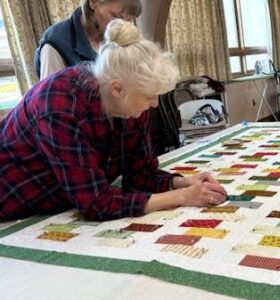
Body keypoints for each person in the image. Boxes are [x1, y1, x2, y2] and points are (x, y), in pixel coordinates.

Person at [0, 19, 227, 222]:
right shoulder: (59, 107)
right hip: (12, 199)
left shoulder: (131, 103)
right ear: (117, 89)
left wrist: (182, 183)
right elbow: (97, 204)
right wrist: (182, 197)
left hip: (58, 201)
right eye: (149, 97)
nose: (155, 104)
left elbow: (141, 175)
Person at [34, 0, 142, 80]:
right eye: (117, 17)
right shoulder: (55, 44)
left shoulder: (116, 36)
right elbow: (50, 104)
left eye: (129, 20)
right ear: (93, 2)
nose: (123, 25)